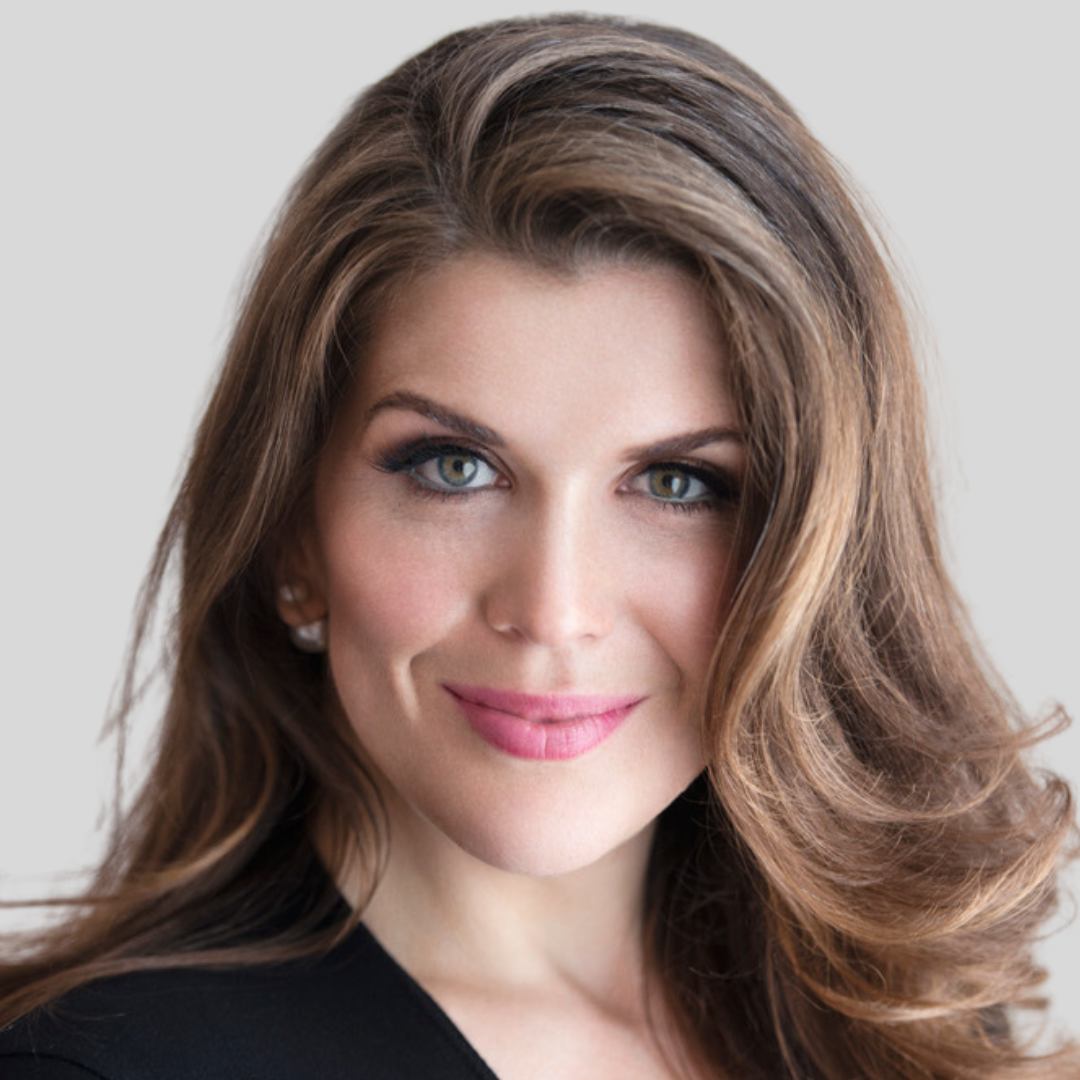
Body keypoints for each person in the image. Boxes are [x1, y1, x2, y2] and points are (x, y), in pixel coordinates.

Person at [0, 12, 1076, 1079]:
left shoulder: (912, 1030)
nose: (554, 609)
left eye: (677, 483)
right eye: (452, 468)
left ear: (814, 549)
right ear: (295, 535)